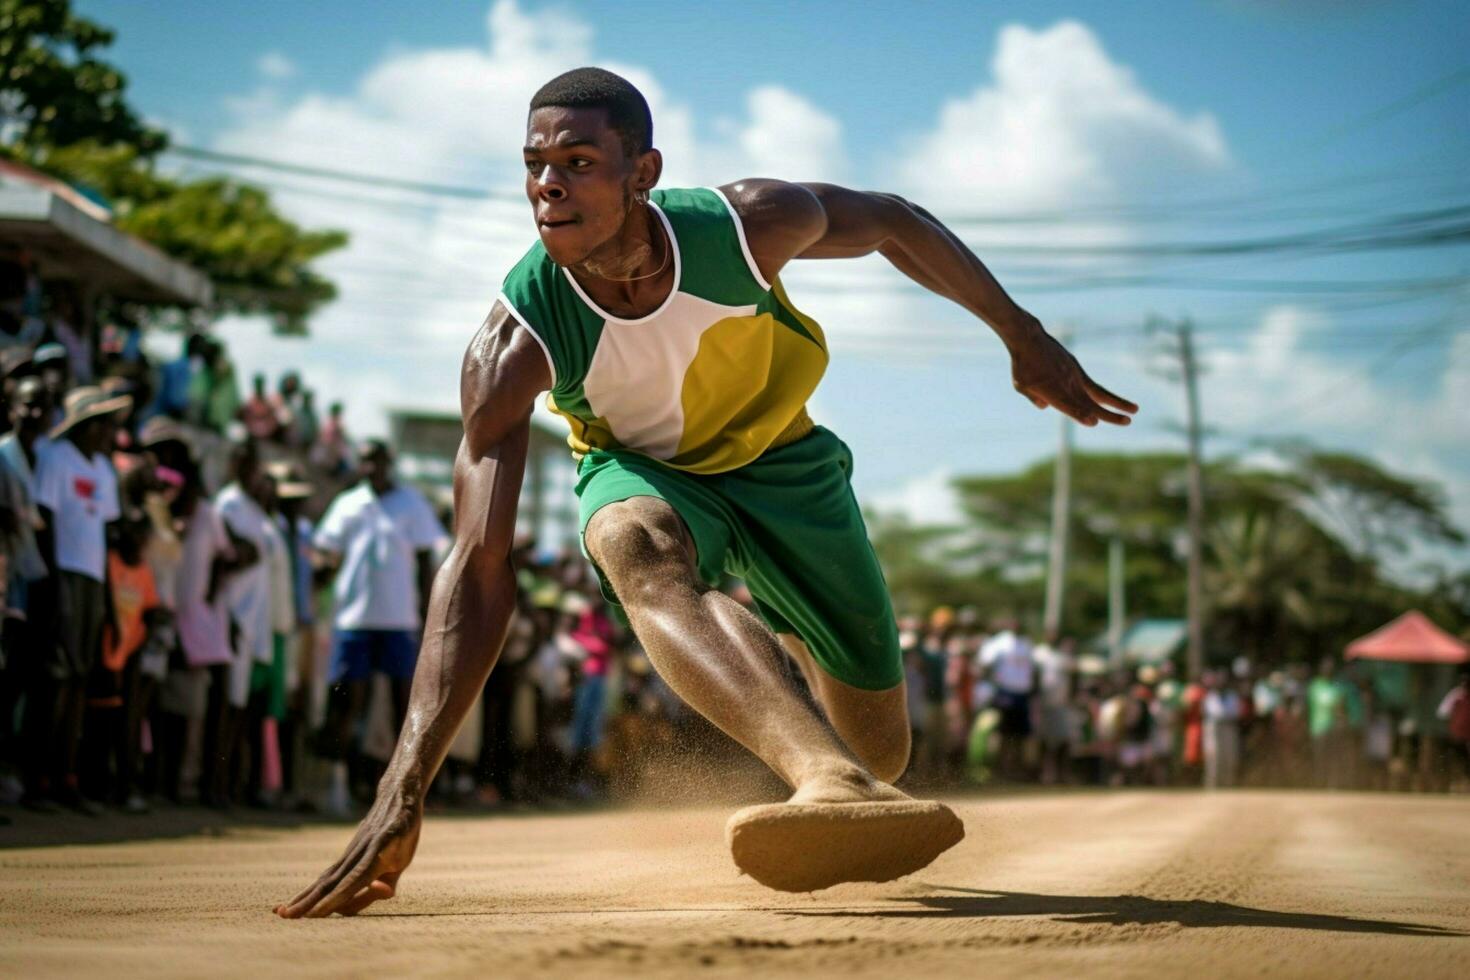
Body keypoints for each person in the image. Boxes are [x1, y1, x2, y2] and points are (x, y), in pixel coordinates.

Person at [278, 67, 1135, 917]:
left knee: (885, 751)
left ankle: (822, 717)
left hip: (786, 469)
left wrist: (1021, 334)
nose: (547, 185)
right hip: (646, 473)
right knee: (633, 546)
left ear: (642, 175)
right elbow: (478, 565)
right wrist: (404, 784)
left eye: (577, 161)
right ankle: (822, 775)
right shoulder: (517, 338)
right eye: (534, 165)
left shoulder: (747, 225)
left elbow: (894, 223)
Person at [313, 439, 445, 816]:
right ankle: (339, 784)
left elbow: (424, 561)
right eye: (365, 461)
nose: (371, 467)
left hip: (399, 619)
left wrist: (425, 612)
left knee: (406, 705)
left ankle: (408, 789)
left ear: (390, 462)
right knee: (346, 702)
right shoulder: (348, 503)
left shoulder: (411, 503)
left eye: (376, 460)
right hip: (352, 619)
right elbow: (326, 549)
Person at [25, 386, 129, 811]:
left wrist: (107, 602)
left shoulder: (104, 468)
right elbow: (44, 521)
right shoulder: (55, 457)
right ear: (88, 425)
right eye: (105, 422)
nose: (111, 431)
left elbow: (103, 537)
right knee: (55, 679)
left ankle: (67, 778)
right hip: (62, 574)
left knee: (79, 679)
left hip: (90, 580)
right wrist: (51, 584)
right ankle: (39, 781)